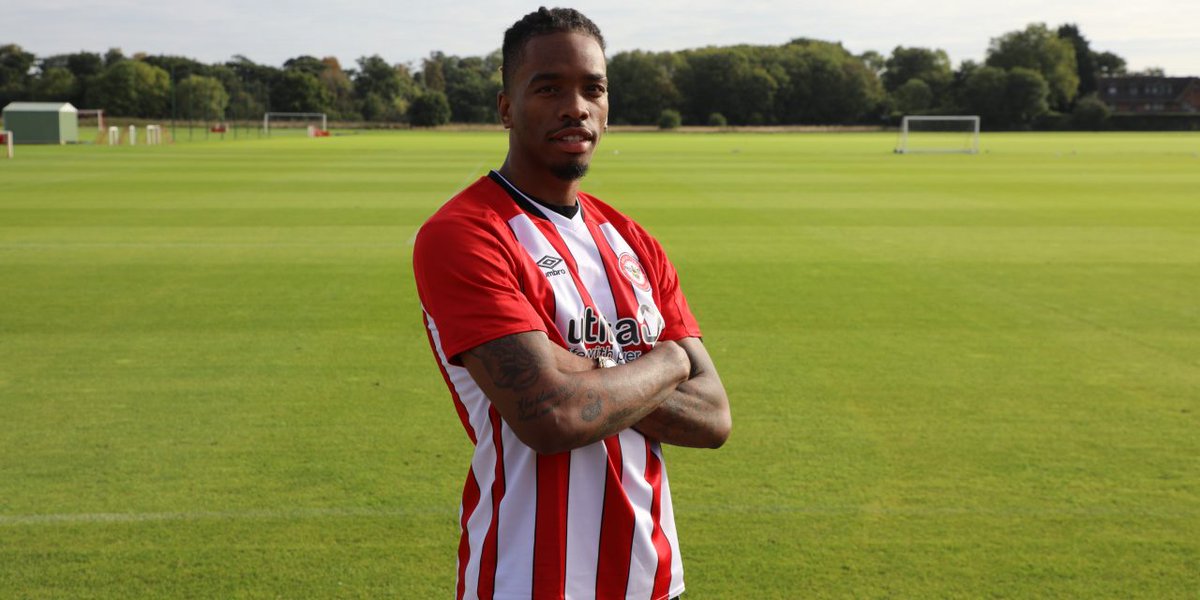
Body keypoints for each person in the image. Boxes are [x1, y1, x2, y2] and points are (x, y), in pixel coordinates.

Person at [413, 7, 731, 599]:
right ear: (506, 107)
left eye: (593, 88)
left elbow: (713, 418)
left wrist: (581, 372)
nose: (576, 106)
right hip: (526, 581)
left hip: (655, 581)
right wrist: (667, 363)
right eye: (549, 87)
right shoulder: (465, 233)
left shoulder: (632, 240)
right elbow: (549, 416)